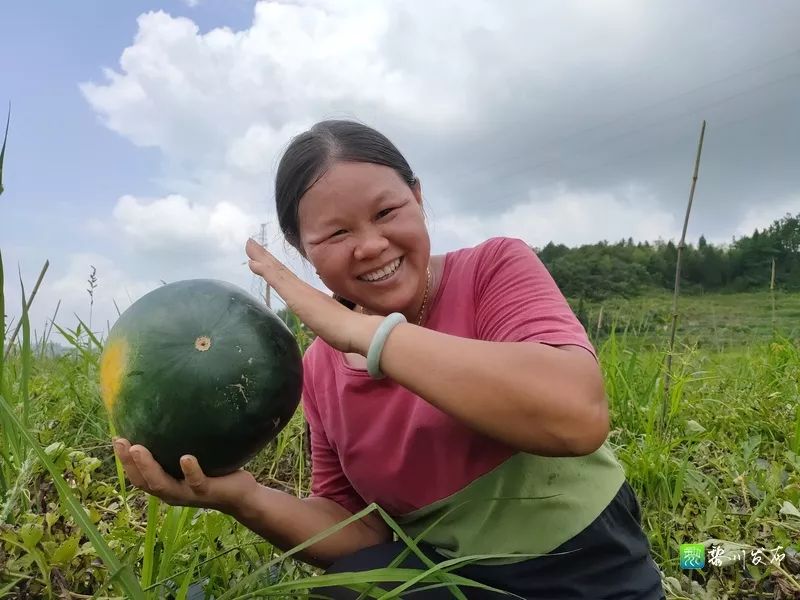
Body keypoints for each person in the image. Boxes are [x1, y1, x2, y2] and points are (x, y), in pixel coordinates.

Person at [113, 120, 666, 599]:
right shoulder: (320, 372)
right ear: (300, 249)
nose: (372, 244)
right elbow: (357, 532)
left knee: (712, 556)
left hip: (584, 566)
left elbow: (575, 415)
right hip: (451, 580)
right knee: (348, 583)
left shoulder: (494, 269)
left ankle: (712, 556)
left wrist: (363, 332)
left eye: (387, 211)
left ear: (419, 198)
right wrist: (242, 497)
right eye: (336, 233)